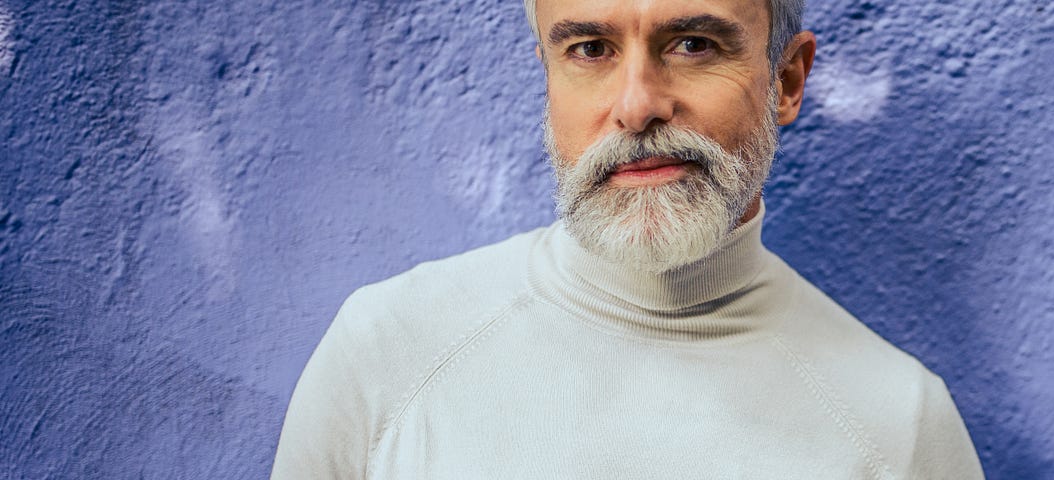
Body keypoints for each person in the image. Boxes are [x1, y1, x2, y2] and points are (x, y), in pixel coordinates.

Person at [270, 0, 985, 477]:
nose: (638, 105)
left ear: (786, 81)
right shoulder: (388, 352)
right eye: (589, 49)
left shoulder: (900, 427)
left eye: (694, 44)